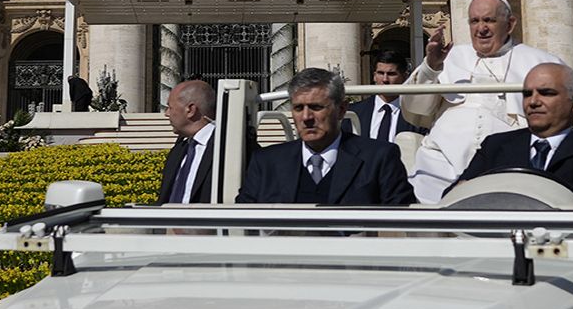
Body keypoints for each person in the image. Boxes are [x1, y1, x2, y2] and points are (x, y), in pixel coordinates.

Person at [396, 0, 564, 203]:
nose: (481, 28)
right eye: (475, 21)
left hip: (508, 164)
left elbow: (567, 120)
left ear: (510, 24)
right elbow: (417, 108)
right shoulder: (452, 56)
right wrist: (431, 68)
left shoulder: (540, 61)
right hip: (440, 160)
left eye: (489, 20)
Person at [453, 63, 573, 206]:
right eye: (527, 94)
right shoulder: (495, 145)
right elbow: (454, 196)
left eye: (547, 93)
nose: (533, 102)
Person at [237, 68, 414, 206]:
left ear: (342, 110)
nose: (306, 117)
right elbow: (241, 224)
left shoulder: (379, 159)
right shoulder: (266, 163)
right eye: (299, 108)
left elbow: (402, 224)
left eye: (316, 107)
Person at [159, 79, 220, 204]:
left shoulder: (227, 148)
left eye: (170, 107)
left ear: (191, 110)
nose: (167, 114)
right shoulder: (179, 149)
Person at [351, 51, 426, 141]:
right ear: (374, 76)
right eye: (380, 73)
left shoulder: (418, 116)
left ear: (405, 77)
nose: (385, 79)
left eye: (391, 74)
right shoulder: (354, 112)